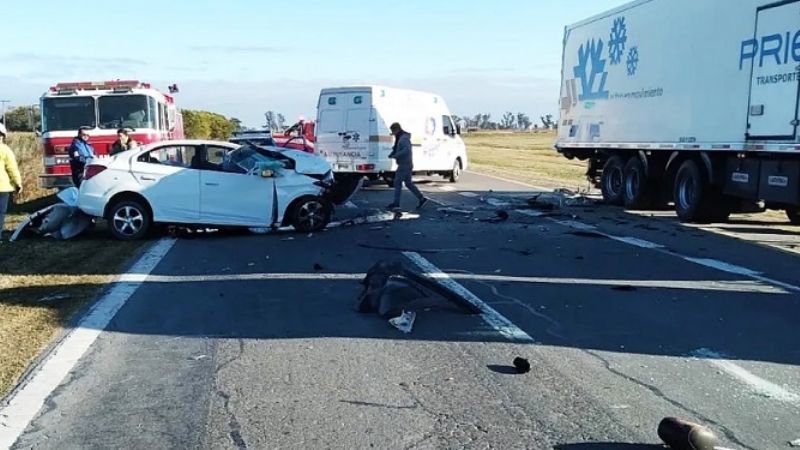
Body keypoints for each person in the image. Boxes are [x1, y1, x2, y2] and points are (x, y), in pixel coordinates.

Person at [386, 122, 428, 210]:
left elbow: (406, 150)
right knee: (408, 183)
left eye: (393, 132)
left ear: (397, 129)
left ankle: (396, 203)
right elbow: (397, 148)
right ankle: (421, 198)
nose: (393, 134)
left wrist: (396, 155)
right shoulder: (401, 137)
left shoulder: (403, 139)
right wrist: (392, 154)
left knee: (397, 182)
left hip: (404, 164)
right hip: (407, 164)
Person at [0, 123, 23, 242]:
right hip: (2, 187)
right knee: (0, 212)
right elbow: (12, 169)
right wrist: (18, 184)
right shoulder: (5, 150)